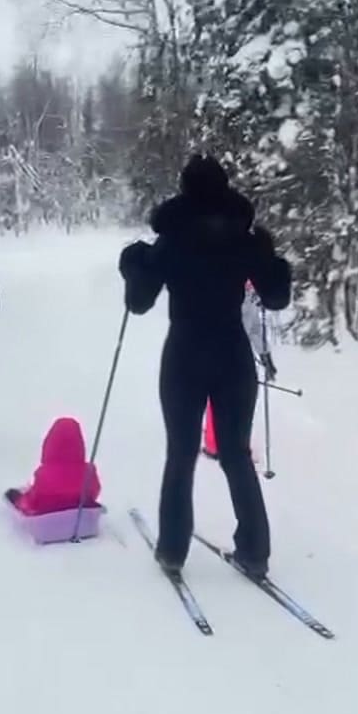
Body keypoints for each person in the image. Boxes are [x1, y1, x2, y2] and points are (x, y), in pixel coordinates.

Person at [119, 154, 291, 578]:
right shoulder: (242, 237)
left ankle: (173, 551)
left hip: (185, 352)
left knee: (180, 454)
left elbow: (138, 302)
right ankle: (254, 552)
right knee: (235, 454)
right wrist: (270, 258)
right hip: (232, 353)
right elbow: (276, 297)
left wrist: (133, 263)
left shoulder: (173, 236)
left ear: (185, 189)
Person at [201, 282, 277, 459]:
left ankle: (237, 443)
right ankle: (214, 446)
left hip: (239, 352)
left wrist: (265, 354)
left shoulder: (251, 295)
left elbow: (255, 327)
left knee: (242, 397)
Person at [5, 417, 101, 516]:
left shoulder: (44, 475)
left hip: (48, 521)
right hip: (80, 519)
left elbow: (33, 501)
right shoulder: (89, 472)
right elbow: (94, 492)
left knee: (17, 497)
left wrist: (20, 500)